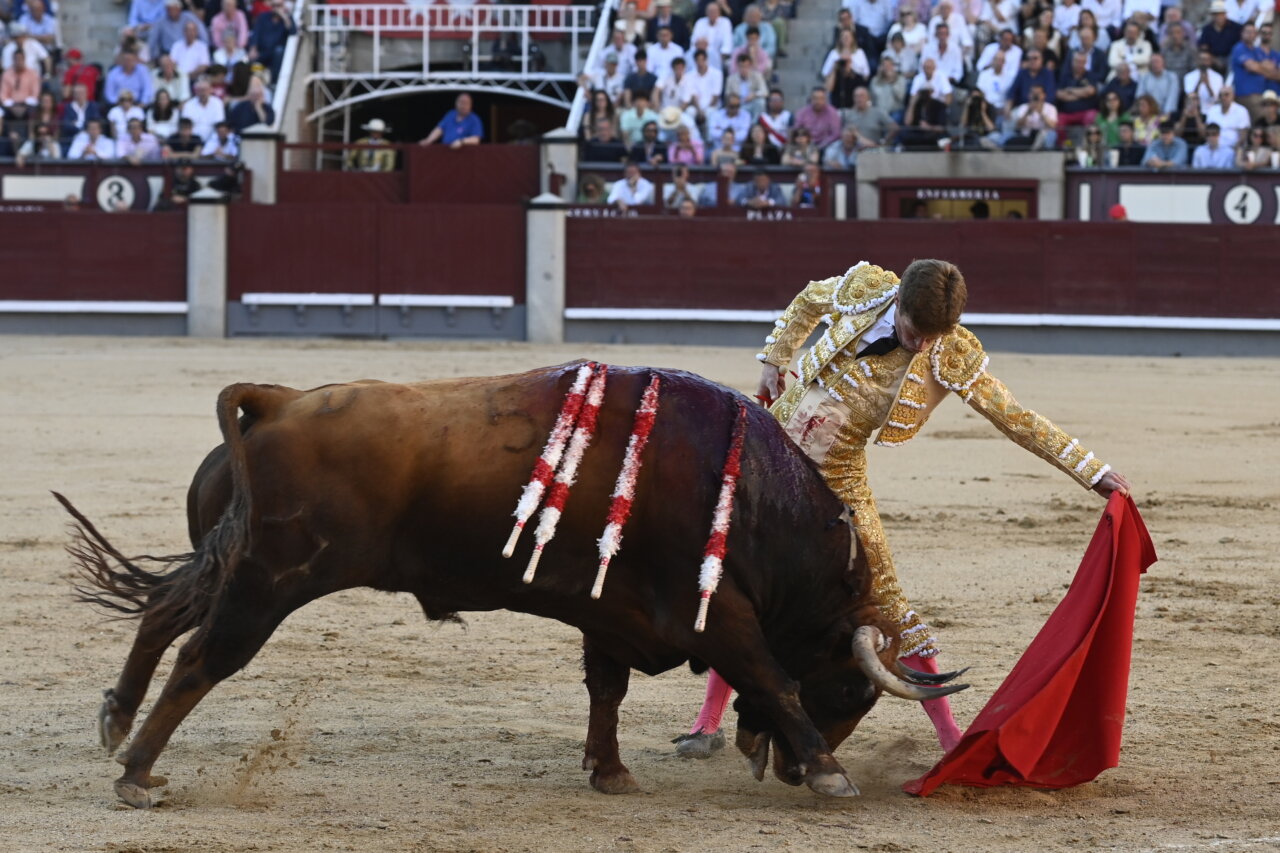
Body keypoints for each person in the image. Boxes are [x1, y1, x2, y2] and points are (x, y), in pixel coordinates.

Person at [675, 259, 1131, 759]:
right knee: (739, 579)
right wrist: (774, 359)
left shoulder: (949, 351)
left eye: (934, 337)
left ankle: (949, 736)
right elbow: (808, 299)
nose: (922, 347)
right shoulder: (865, 289)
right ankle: (707, 723)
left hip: (837, 476)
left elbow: (1013, 416)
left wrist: (1090, 470)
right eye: (916, 333)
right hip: (768, 453)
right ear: (898, 305)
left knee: (887, 594)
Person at [419, 93, 483, 147]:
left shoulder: (474, 119)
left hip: (465, 155)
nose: (463, 106)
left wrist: (461, 141)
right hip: (446, 152)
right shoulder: (450, 114)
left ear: (470, 105)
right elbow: (439, 129)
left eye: (466, 103)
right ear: (456, 103)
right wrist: (429, 140)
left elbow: (476, 139)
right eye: (461, 102)